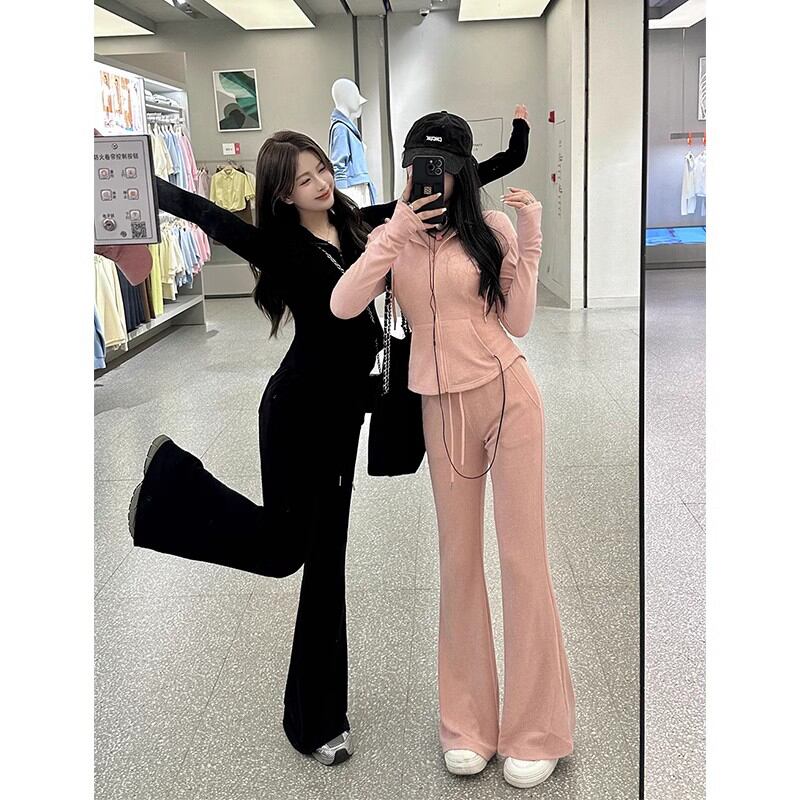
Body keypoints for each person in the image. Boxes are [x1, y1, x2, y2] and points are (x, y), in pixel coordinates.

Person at [126, 106, 532, 767]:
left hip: (343, 420)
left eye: (321, 169)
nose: (320, 183)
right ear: (283, 193)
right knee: (286, 550)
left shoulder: (356, 224)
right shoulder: (277, 244)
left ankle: (315, 723)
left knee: (323, 566)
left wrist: (513, 149)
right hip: (294, 415)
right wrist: (133, 180)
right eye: (304, 179)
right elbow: (206, 215)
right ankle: (169, 487)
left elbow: (452, 185)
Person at [330, 111, 576, 789]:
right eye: (417, 163)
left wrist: (529, 237)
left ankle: (537, 728)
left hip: (508, 397)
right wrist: (392, 234)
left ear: (463, 171)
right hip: (440, 410)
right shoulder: (394, 238)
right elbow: (343, 304)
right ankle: (467, 724)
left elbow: (519, 321)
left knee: (523, 559)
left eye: (439, 165)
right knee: (458, 562)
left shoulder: (489, 229)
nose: (427, 176)